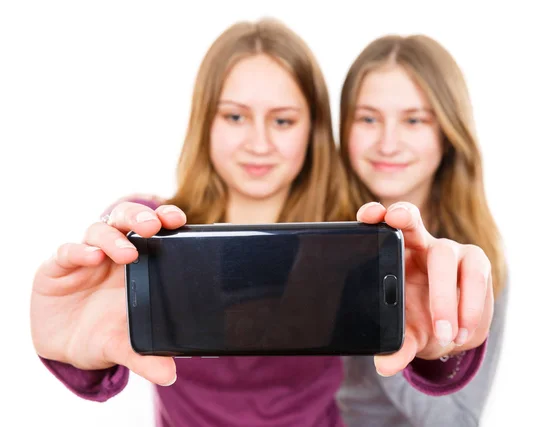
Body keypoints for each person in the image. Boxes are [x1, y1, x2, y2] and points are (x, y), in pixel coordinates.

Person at [30, 19, 495, 427]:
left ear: (312, 130)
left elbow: (434, 366)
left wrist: (446, 342)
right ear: (205, 121)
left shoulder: (351, 236)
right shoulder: (145, 230)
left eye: (283, 121)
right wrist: (75, 357)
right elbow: (94, 356)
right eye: (235, 116)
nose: (259, 143)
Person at [335, 34, 508, 426]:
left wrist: (402, 338)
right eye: (367, 118)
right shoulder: (321, 238)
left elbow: (457, 420)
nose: (388, 144)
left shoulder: (475, 262)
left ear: (447, 133)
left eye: (413, 120)